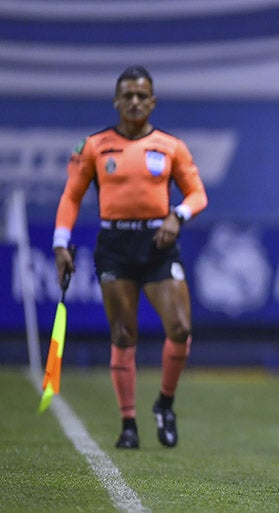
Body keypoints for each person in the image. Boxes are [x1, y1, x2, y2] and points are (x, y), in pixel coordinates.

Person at [52, 65, 208, 449]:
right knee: (123, 334)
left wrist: (177, 215)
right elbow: (71, 196)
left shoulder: (171, 146)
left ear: (153, 101)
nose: (135, 102)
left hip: (157, 244)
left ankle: (165, 404)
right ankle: (128, 424)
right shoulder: (93, 146)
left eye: (142, 96)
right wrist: (60, 243)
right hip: (116, 246)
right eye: (128, 96)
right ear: (116, 101)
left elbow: (198, 195)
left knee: (181, 329)